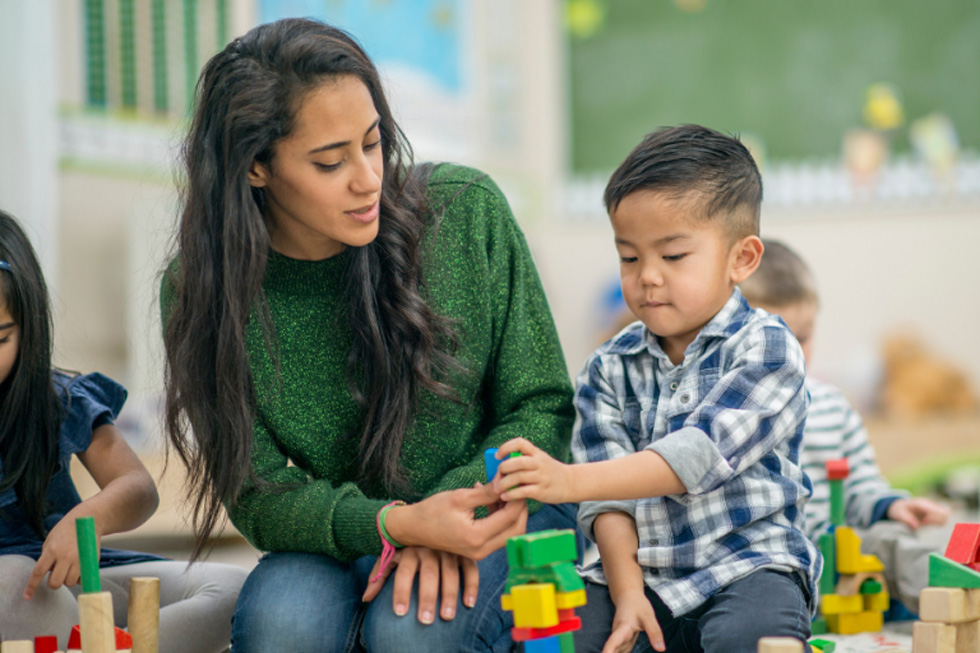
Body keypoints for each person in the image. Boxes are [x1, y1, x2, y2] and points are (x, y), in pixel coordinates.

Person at [160, 17, 579, 653]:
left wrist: (445, 515)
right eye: (330, 161)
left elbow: (540, 407)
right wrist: (398, 524)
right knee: (282, 628)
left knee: (411, 631)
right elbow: (257, 491)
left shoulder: (466, 211)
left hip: (496, 507)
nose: (367, 178)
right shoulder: (204, 290)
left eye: (373, 143)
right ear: (255, 169)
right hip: (353, 530)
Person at [492, 125, 820, 653]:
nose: (647, 277)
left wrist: (568, 481)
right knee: (578, 638)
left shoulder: (769, 348)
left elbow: (695, 457)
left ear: (742, 258)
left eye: (672, 257)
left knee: (749, 639)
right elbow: (609, 503)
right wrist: (626, 592)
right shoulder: (608, 366)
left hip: (748, 565)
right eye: (629, 257)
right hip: (642, 574)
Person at [0, 211, 247, 651]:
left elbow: (137, 488)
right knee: (15, 580)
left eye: (0, 339)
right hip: (17, 601)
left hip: (81, 580)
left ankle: (110, 646)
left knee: (236, 589)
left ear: (28, 328)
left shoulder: (57, 398)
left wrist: (87, 520)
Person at [739, 238, 950, 614]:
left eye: (803, 337)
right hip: (761, 568)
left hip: (835, 556)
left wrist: (890, 505)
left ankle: (953, 600)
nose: (793, 353)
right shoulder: (723, 417)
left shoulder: (831, 407)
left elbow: (862, 483)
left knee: (894, 541)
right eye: (775, 339)